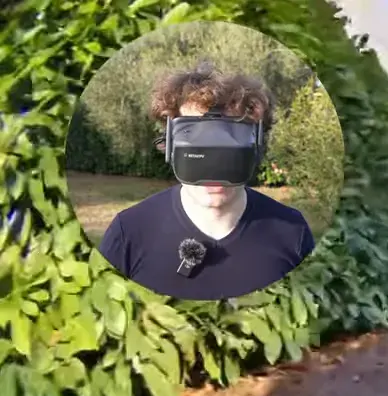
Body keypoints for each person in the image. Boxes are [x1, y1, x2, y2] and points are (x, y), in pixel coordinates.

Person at [96, 62, 315, 301]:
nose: (214, 165)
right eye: (194, 135)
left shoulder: (292, 233)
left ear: (256, 147)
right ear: (170, 145)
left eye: (231, 137)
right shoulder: (129, 234)